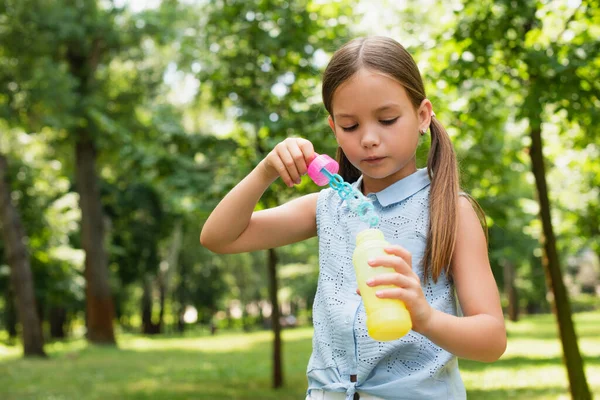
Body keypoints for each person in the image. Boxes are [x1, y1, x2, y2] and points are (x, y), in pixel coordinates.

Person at [200, 36, 506, 400]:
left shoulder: (450, 210)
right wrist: (266, 170)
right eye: (350, 126)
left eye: (387, 119)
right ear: (333, 129)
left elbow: (491, 340)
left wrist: (425, 317)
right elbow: (219, 237)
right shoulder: (329, 206)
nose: (369, 139)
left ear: (423, 115)